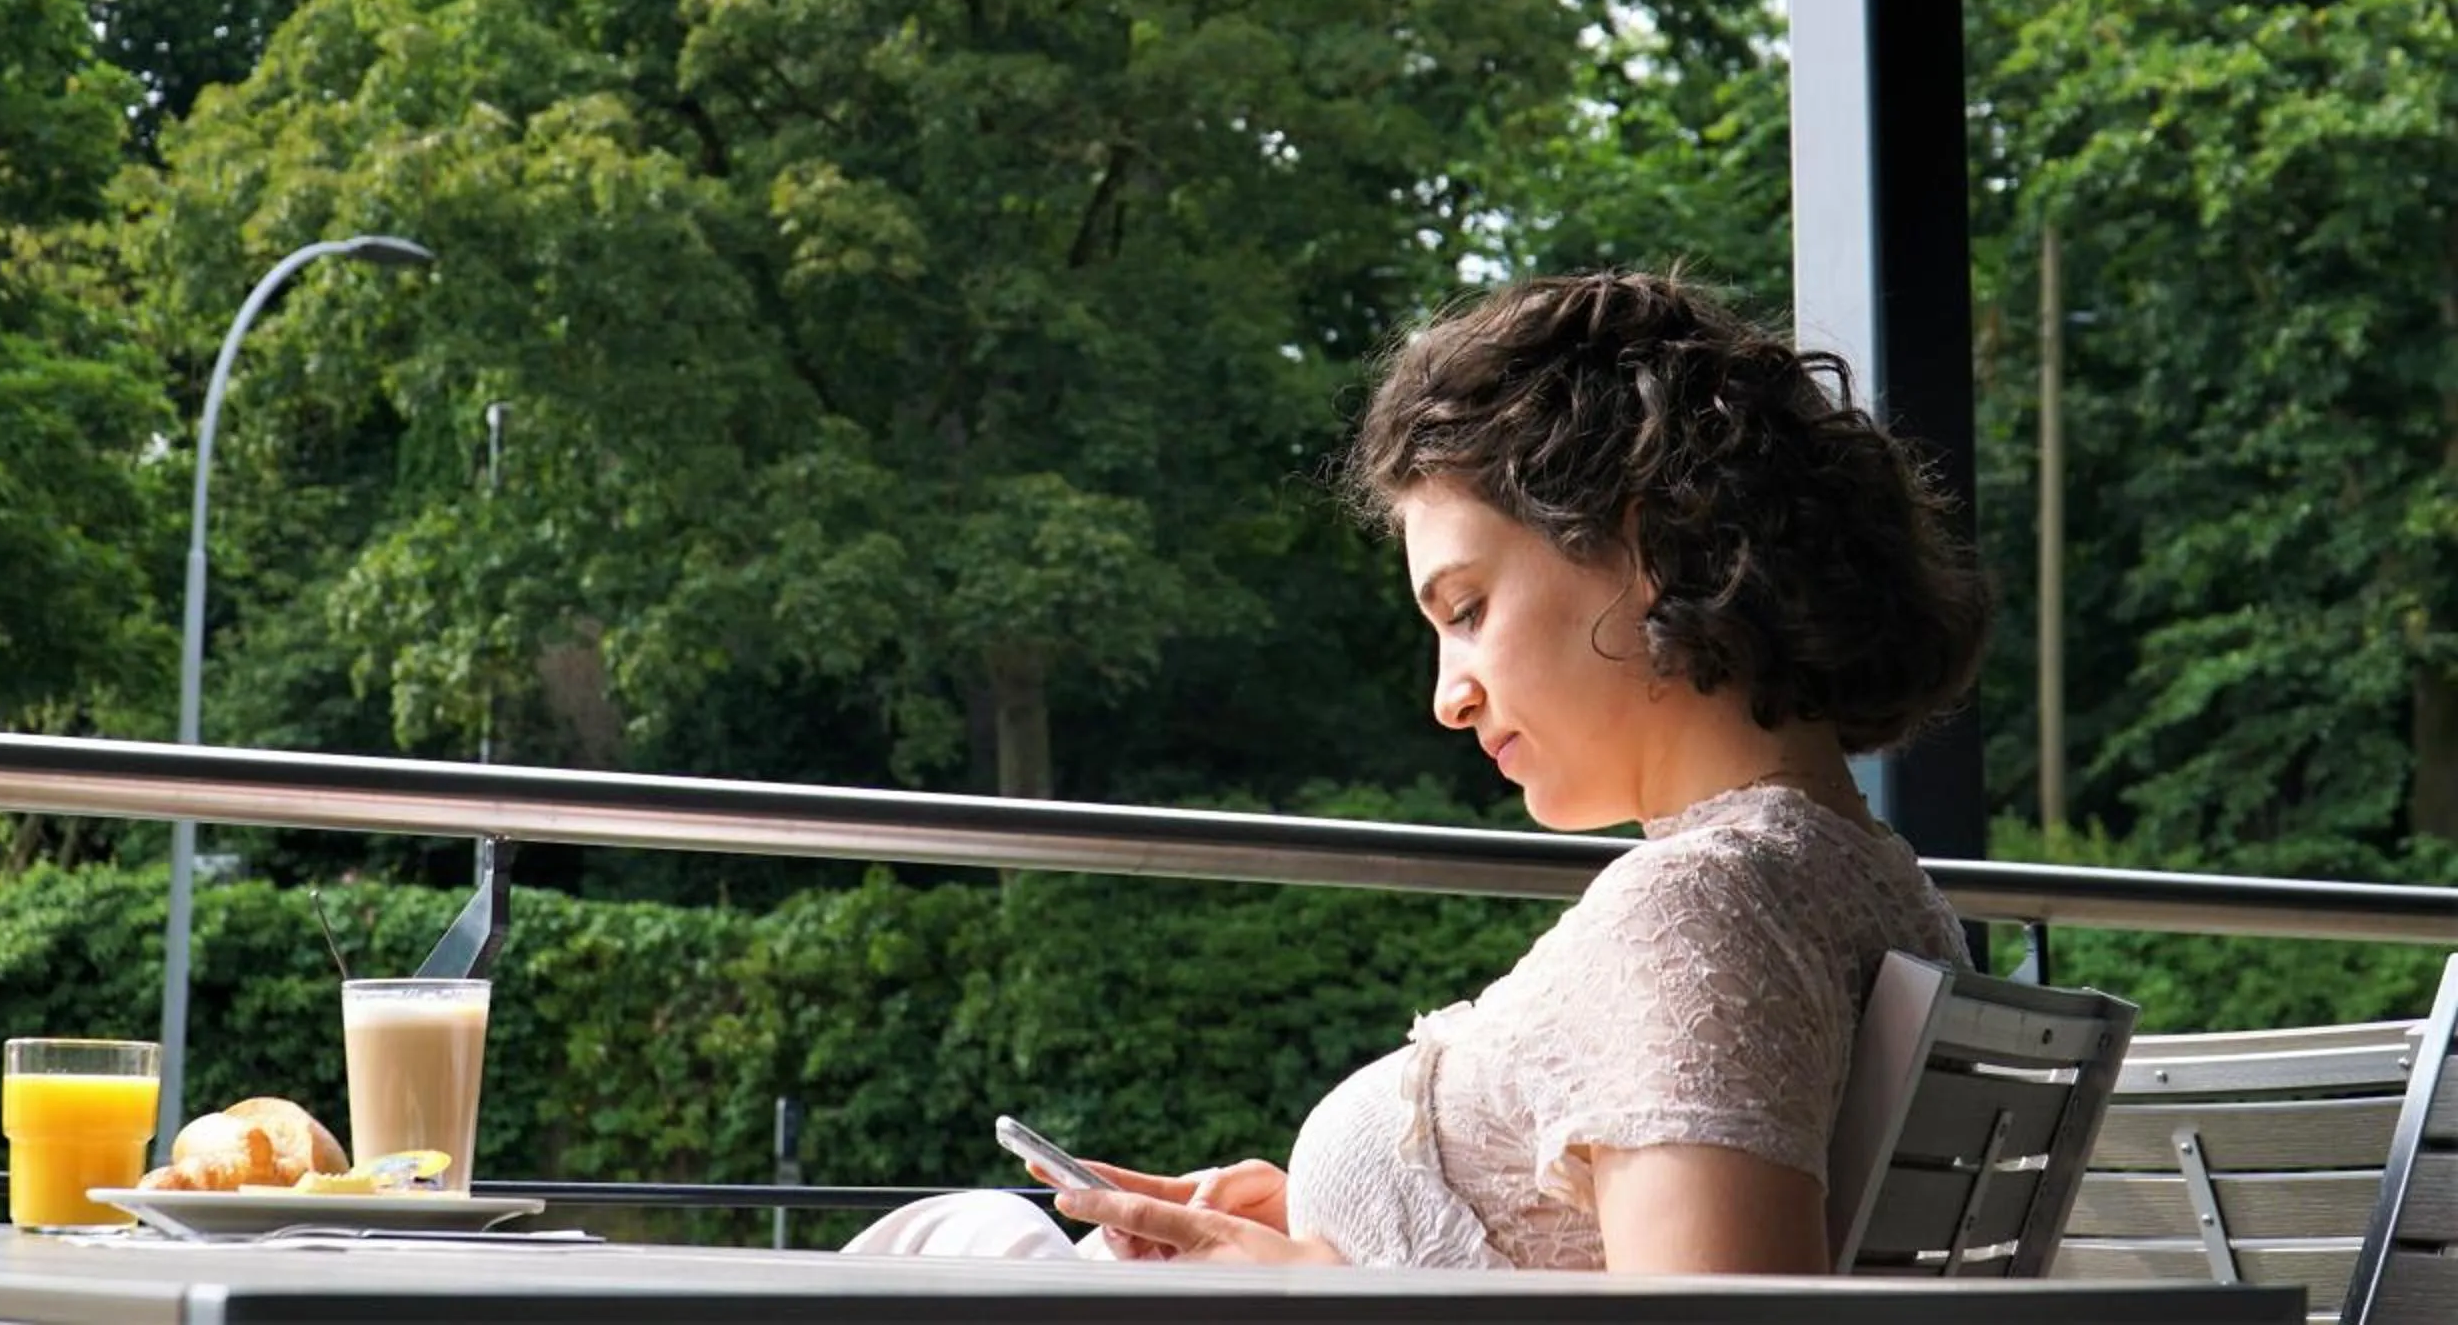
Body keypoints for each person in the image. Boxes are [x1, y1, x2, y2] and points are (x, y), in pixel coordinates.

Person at [851, 268, 1989, 1273]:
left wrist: (1308, 1293)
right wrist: (1350, 1221)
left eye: (1468, 609)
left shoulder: (1702, 910)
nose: (1449, 697)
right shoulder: (1875, 893)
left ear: (1648, 548)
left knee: (926, 1252)